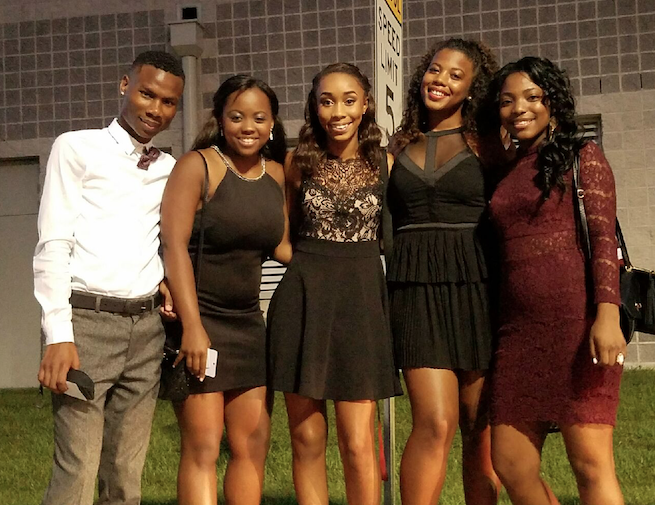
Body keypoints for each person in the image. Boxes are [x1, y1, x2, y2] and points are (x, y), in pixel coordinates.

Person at [34, 50, 185, 505]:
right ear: (125, 85)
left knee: (125, 474)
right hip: (88, 325)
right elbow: (52, 243)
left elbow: (164, 240)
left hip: (147, 332)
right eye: (146, 93)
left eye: (168, 102)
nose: (155, 109)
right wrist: (57, 333)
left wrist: (166, 281)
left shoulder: (169, 168)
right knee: (76, 471)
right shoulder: (76, 147)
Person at [482, 56, 626, 505]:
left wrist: (607, 316)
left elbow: (604, 239)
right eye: (507, 100)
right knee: (510, 462)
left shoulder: (583, 155)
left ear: (552, 103)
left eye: (530, 97)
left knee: (590, 464)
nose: (518, 108)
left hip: (578, 326)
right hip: (517, 332)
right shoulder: (506, 168)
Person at [267, 63, 402, 505]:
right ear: (315, 108)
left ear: (365, 106)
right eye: (327, 101)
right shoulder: (295, 163)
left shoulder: (386, 164)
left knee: (358, 443)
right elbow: (282, 241)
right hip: (302, 305)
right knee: (307, 441)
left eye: (348, 100)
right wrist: (313, 266)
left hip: (362, 306)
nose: (337, 111)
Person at [159, 74, 288, 505]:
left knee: (251, 447)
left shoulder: (278, 175)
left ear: (272, 124)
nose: (247, 126)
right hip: (202, 323)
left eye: (258, 117)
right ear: (220, 119)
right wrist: (193, 328)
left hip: (250, 327)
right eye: (236, 116)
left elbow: (284, 246)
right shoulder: (198, 165)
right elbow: (173, 245)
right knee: (204, 447)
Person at [386, 38, 503, 505]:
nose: (441, 80)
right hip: (414, 288)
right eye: (436, 70)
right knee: (435, 421)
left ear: (473, 88)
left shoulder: (488, 144)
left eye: (456, 75)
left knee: (479, 423)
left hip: (477, 285)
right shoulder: (397, 144)